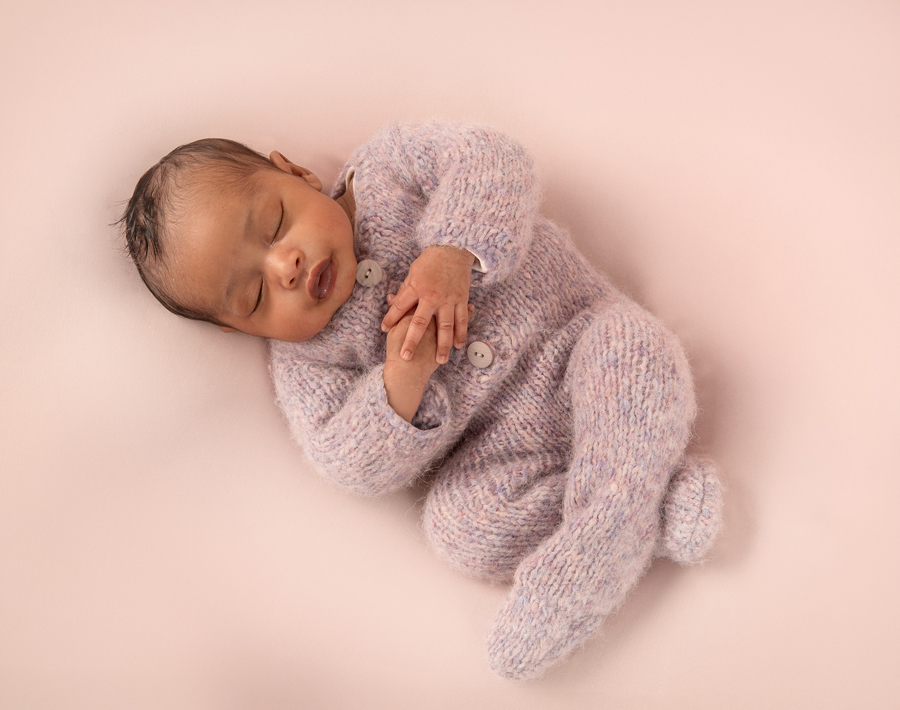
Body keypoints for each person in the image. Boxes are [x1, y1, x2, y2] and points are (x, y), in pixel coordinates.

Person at [121, 120, 723, 680]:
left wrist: (451, 252)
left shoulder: (387, 169)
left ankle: (585, 562)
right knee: (458, 528)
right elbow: (347, 461)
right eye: (255, 295)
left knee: (630, 347)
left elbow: (494, 159)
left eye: (276, 223)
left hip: (580, 344)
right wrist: (403, 376)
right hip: (507, 451)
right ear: (239, 329)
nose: (286, 266)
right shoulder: (307, 362)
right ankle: (639, 505)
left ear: (295, 172)